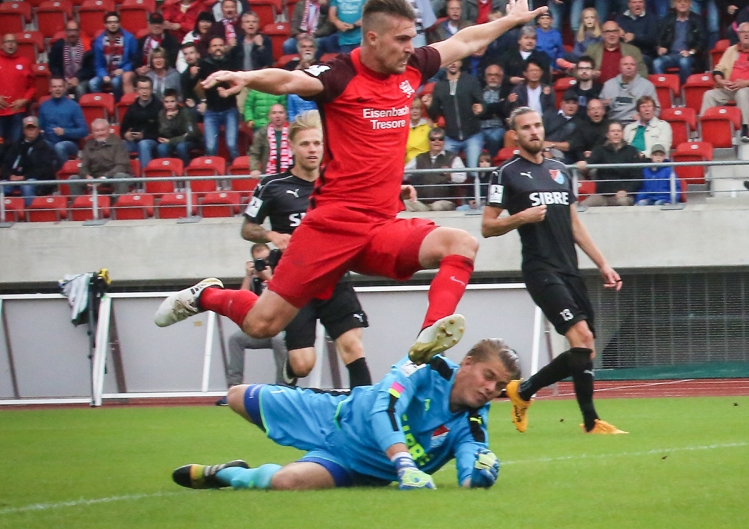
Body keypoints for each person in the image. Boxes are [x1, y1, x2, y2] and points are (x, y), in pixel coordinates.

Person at [154, 0, 550, 368]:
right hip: (331, 227)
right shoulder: (339, 75)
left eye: (412, 38)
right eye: (401, 39)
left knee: (462, 243)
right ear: (373, 38)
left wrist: (511, 20)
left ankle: (429, 336)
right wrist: (246, 77)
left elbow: (464, 41)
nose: (410, 47)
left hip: (379, 227)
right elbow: (289, 81)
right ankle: (205, 296)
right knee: (262, 324)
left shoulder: (412, 66)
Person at [172, 336, 516, 492]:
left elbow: (470, 469)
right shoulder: (427, 363)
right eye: (488, 376)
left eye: (500, 386)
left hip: (356, 466)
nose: (491, 389)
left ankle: (230, 475)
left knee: (286, 482)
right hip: (333, 414)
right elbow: (385, 408)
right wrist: (406, 465)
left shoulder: (473, 422)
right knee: (237, 396)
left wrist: (481, 474)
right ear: (467, 363)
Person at [484, 107, 624, 434]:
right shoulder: (504, 173)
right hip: (540, 269)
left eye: (537, 125)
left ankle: (525, 391)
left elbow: (574, 224)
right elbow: (488, 226)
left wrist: (602, 263)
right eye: (526, 127)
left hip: (570, 269)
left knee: (585, 349)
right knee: (582, 337)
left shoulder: (560, 170)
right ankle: (589, 421)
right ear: (515, 135)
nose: (534, 131)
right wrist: (521, 217)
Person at [242, 110, 372, 386]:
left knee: (352, 344)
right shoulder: (272, 185)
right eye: (305, 144)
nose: (312, 149)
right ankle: (290, 371)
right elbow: (247, 228)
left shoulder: (339, 182)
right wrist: (271, 234)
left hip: (333, 275)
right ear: (292, 146)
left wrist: (399, 193)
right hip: (294, 281)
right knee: (303, 365)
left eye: (317, 143)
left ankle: (368, 407)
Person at [223, 243, 289, 394]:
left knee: (278, 340)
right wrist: (248, 276)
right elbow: (240, 300)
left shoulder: (282, 273)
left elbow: (285, 295)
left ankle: (283, 387)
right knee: (236, 339)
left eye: (267, 259)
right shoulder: (255, 281)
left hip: (284, 328)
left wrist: (269, 277)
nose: (264, 264)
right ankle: (234, 386)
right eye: (260, 261)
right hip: (264, 329)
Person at [704, 22, 749, 143]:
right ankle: (705, 129)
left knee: (742, 93)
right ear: (738, 34)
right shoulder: (730, 50)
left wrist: (745, 83)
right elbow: (718, 68)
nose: (746, 35)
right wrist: (721, 81)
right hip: (729, 88)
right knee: (709, 95)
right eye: (743, 32)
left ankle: (745, 129)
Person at [430, 61, 484, 170]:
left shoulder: (471, 81)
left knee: (474, 171)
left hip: (472, 135)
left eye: (456, 60)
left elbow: (482, 103)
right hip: (450, 137)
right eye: (451, 61)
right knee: (444, 172)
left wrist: (481, 108)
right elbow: (434, 112)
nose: (453, 64)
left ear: (461, 62)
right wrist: (429, 105)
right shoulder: (439, 86)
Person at [404, 127, 468, 211]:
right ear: (428, 141)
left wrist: (450, 175)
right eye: (433, 139)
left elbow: (462, 178)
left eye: (440, 139)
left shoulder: (453, 157)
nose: (436, 141)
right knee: (404, 204)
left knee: (437, 206)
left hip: (445, 202)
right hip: (421, 203)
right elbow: (404, 173)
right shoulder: (419, 157)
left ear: (444, 141)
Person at [580, 120, 644, 205]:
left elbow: (638, 177)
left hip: (624, 195)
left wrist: (626, 191)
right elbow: (590, 161)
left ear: (623, 134)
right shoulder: (599, 150)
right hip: (603, 195)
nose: (616, 134)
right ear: (608, 134)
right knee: (584, 205)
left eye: (618, 131)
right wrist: (584, 163)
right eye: (613, 131)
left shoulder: (631, 151)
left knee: (623, 201)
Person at [0, 116, 58, 205]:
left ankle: (31, 211)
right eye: (28, 128)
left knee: (27, 186)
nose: (31, 130)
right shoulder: (15, 146)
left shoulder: (44, 147)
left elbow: (45, 170)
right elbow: (5, 165)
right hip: (13, 179)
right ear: (24, 130)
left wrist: (24, 177)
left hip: (35, 180)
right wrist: (10, 176)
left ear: (38, 130)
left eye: (33, 128)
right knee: (1, 186)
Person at [199, 37, 240, 158]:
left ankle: (237, 168)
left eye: (221, 45)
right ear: (209, 49)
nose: (218, 48)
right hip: (211, 111)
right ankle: (213, 170)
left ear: (225, 48)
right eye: (214, 46)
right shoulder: (203, 64)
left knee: (232, 145)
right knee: (210, 147)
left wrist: (228, 92)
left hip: (230, 109)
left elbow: (238, 86)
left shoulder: (231, 63)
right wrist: (202, 101)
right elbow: (194, 85)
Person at [70, 118, 131, 196]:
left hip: (113, 176)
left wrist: (104, 177)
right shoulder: (88, 145)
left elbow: (121, 166)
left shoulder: (119, 144)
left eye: (102, 130)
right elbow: (83, 165)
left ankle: (120, 203)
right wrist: (87, 176)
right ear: (92, 133)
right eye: (97, 131)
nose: (100, 133)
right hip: (95, 177)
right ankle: (79, 203)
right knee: (73, 179)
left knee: (120, 176)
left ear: (108, 130)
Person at [654, 0, 705, 79]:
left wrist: (691, 52)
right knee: (657, 63)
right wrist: (660, 47)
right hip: (671, 55)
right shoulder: (668, 19)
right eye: (679, 1)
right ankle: (664, 86)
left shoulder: (697, 20)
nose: (682, 4)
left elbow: (703, 41)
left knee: (684, 62)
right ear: (674, 4)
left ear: (690, 4)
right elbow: (659, 37)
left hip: (689, 56)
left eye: (685, 1)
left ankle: (683, 87)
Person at [37, 76, 87, 166]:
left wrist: (65, 132)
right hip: (50, 141)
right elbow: (41, 128)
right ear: (50, 89)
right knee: (39, 145)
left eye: (60, 86)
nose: (57, 89)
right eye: (54, 87)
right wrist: (41, 132)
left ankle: (63, 172)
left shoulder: (74, 106)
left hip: (69, 143)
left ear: (64, 88)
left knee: (59, 147)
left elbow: (84, 131)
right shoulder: (44, 106)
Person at [119, 75, 163, 170]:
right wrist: (126, 135)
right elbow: (123, 129)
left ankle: (145, 175)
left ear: (151, 90)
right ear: (136, 90)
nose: (144, 92)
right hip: (134, 141)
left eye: (147, 88)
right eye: (141, 89)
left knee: (143, 144)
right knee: (119, 144)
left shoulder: (159, 106)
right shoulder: (132, 108)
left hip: (154, 141)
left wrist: (144, 136)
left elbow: (163, 131)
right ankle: (123, 174)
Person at [90, 12, 138, 97]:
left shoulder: (129, 38)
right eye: (110, 22)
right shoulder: (99, 41)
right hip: (105, 72)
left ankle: (117, 103)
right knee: (92, 83)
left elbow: (134, 60)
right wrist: (104, 75)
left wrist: (123, 70)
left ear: (119, 24)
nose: (113, 25)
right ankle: (102, 101)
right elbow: (98, 64)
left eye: (115, 22)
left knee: (115, 82)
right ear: (105, 25)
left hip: (121, 72)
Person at [600, 55, 658, 122]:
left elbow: (657, 110)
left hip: (636, 122)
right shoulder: (608, 85)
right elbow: (599, 109)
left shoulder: (647, 86)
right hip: (613, 122)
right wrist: (603, 104)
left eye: (632, 65)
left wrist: (644, 117)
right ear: (619, 68)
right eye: (625, 64)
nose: (629, 67)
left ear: (636, 68)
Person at [0, 33, 33, 145]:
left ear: (17, 45)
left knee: (16, 145)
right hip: (0, 112)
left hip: (17, 112)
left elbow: (32, 86)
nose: (11, 44)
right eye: (7, 42)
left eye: (13, 42)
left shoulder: (25, 62)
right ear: (2, 45)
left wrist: (25, 99)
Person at [156, 88, 198, 163]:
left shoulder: (185, 112)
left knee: (181, 147)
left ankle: (186, 168)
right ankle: (166, 168)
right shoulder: (162, 113)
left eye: (172, 101)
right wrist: (168, 120)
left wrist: (171, 141)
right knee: (161, 147)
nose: (169, 104)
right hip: (171, 141)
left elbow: (191, 134)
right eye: (166, 102)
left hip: (188, 140)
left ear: (177, 101)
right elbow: (163, 132)